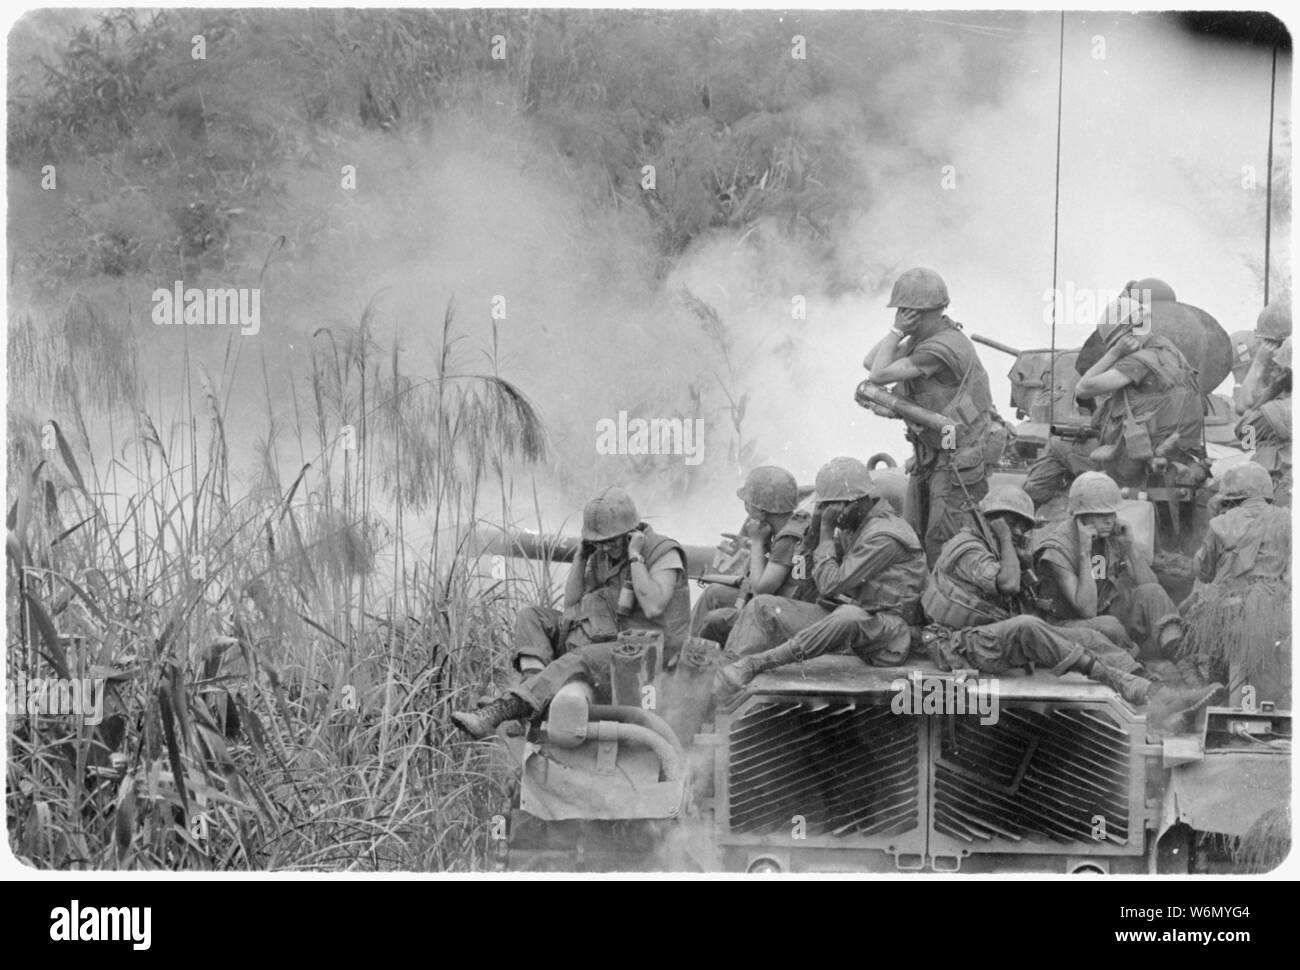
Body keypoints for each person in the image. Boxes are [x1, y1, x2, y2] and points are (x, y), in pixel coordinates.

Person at [451, 487, 689, 738]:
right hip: (607, 636)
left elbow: (653, 607)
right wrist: (581, 556)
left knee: (579, 657)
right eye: (599, 543)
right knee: (531, 617)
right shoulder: (602, 555)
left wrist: (634, 557)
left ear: (631, 533)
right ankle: (529, 699)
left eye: (611, 541)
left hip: (647, 653)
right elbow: (572, 606)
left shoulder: (663, 552)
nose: (605, 548)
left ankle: (499, 711)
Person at [714, 456, 927, 695]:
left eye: (830, 507)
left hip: (886, 635)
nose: (827, 513)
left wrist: (826, 532)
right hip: (852, 623)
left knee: (848, 616)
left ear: (853, 502)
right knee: (762, 606)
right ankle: (723, 679)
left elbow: (830, 584)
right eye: (823, 507)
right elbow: (804, 571)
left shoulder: (885, 536)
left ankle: (755, 664)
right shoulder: (854, 525)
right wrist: (814, 532)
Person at [922, 484, 1146, 677]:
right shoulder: (969, 548)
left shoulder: (999, 549)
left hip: (1003, 633)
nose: (1020, 531)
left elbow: (1030, 598)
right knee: (1079, 636)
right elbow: (1009, 585)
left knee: (1105, 628)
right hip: (968, 641)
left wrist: (1025, 561)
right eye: (1012, 523)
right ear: (992, 520)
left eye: (1024, 526)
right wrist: (1006, 538)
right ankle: (1126, 678)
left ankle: (1136, 670)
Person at [1023, 289, 1204, 507]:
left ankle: (1023, 511)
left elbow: (1083, 388)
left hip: (1133, 466)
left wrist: (1115, 353)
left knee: (1057, 444)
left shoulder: (1137, 362)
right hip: (1175, 456)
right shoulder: (1173, 354)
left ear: (1126, 335)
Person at [863, 267, 995, 564]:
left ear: (917, 313)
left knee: (943, 541)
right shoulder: (925, 338)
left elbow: (878, 374)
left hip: (958, 458)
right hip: (935, 453)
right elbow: (869, 361)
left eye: (904, 311)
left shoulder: (941, 348)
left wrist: (897, 331)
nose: (900, 316)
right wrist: (900, 332)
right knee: (915, 532)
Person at [1030, 471, 1185, 661]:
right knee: (1110, 625)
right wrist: (1084, 553)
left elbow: (1150, 584)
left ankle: (1180, 657)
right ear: (1082, 515)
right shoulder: (1057, 549)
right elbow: (1087, 611)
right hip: (1066, 624)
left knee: (1153, 592)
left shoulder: (1109, 537)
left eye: (1112, 513)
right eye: (1101, 514)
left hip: (1104, 611)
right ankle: (1134, 668)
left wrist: (1129, 546)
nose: (1110, 520)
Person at [1182, 461, 1291, 707]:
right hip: (1277, 610)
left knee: (1224, 657)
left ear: (1230, 496)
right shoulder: (1288, 520)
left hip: (1229, 612)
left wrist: (1215, 519)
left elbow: (1204, 571)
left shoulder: (1220, 523)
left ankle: (1223, 701)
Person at [691, 465, 810, 644]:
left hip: (782, 614)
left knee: (717, 618)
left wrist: (755, 542)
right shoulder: (793, 524)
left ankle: (695, 655)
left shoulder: (787, 539)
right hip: (782, 605)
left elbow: (761, 589)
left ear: (762, 511)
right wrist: (749, 543)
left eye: (748, 503)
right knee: (714, 593)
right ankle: (688, 645)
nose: (746, 507)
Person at [1235, 301, 1291, 505]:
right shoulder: (1275, 376)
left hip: (1277, 466)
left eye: (1273, 344)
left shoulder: (1278, 377)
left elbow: (1243, 418)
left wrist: (1259, 364)